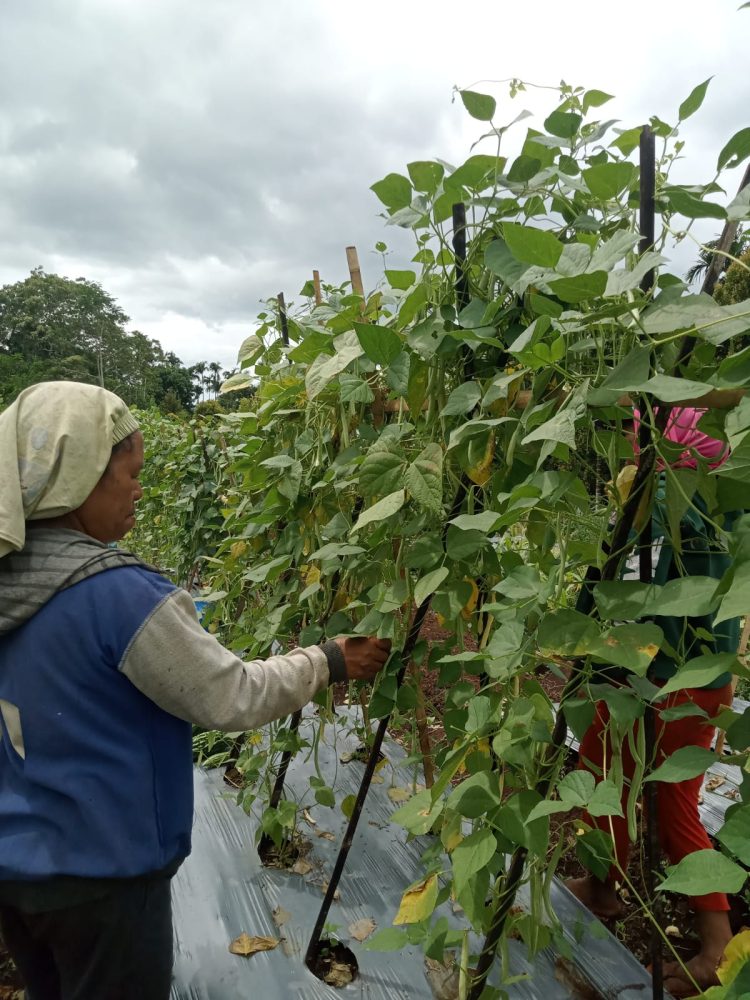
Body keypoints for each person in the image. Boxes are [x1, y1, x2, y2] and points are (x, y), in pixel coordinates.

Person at [0, 381, 391, 1000]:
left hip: (17, 863)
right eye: (128, 474)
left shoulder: (8, 575)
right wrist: (327, 661)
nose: (139, 489)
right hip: (105, 874)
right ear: (75, 480)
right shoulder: (117, 595)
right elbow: (230, 695)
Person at [566, 406, 739, 998]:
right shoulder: (726, 494)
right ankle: (702, 935)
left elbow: (632, 575)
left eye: (636, 432)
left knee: (610, 779)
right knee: (666, 798)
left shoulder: (663, 490)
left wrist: (588, 624)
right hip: (706, 673)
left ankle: (611, 895)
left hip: (657, 671)